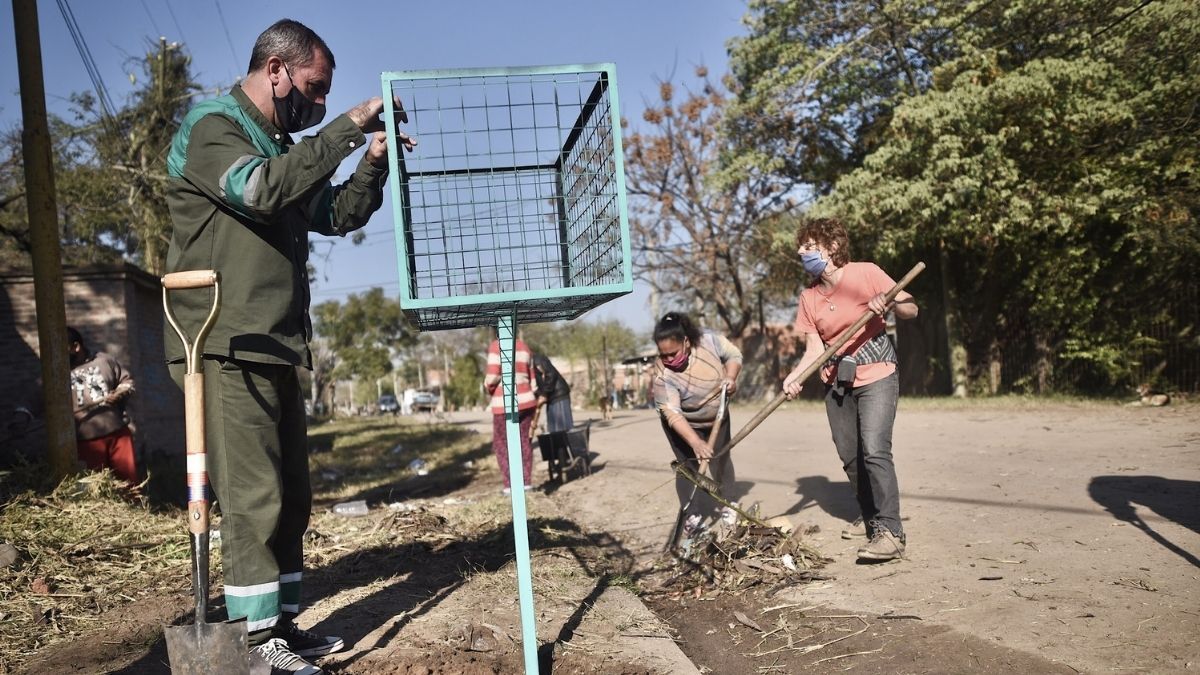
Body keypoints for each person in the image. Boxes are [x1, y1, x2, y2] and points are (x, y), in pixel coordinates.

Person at [162, 18, 416, 673]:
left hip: (274, 343)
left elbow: (336, 214)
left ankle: (280, 624)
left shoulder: (279, 143)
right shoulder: (213, 127)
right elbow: (259, 190)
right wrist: (344, 129)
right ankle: (251, 639)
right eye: (314, 88)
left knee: (292, 495)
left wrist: (374, 160)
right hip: (221, 339)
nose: (321, 104)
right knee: (252, 499)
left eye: (328, 95)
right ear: (275, 69)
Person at [782, 217, 919, 562]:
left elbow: (910, 308)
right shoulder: (809, 297)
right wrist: (795, 376)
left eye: (809, 246)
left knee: (874, 449)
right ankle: (871, 516)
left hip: (878, 373)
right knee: (851, 457)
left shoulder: (866, 273)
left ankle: (891, 531)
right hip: (836, 381)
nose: (802, 252)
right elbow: (814, 350)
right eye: (802, 247)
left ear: (831, 248)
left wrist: (887, 303)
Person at [652, 312, 743, 534]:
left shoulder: (709, 341)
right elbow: (672, 413)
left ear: (686, 341)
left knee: (720, 460)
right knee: (688, 467)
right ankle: (692, 513)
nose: (669, 360)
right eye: (664, 355)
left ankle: (728, 504)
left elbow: (734, 355)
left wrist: (731, 377)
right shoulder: (662, 373)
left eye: (673, 354)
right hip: (683, 422)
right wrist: (694, 441)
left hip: (717, 414)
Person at [12, 327, 139, 486]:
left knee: (129, 484)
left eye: (60, 349)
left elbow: (127, 382)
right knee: (97, 489)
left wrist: (120, 392)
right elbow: (31, 401)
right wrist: (21, 416)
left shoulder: (103, 361)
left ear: (76, 347)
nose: (56, 355)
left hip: (118, 435)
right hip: (85, 443)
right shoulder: (54, 373)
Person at [483, 334, 539, 495]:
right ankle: (526, 483)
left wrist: (488, 387)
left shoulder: (496, 346)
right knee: (524, 441)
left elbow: (493, 376)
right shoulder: (524, 346)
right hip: (527, 400)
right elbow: (533, 380)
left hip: (505, 402)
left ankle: (509, 485)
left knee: (501, 443)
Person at [531, 353, 573, 434]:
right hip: (551, 398)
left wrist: (544, 394)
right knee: (554, 432)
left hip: (558, 395)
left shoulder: (537, 360)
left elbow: (550, 374)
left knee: (562, 430)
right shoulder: (530, 364)